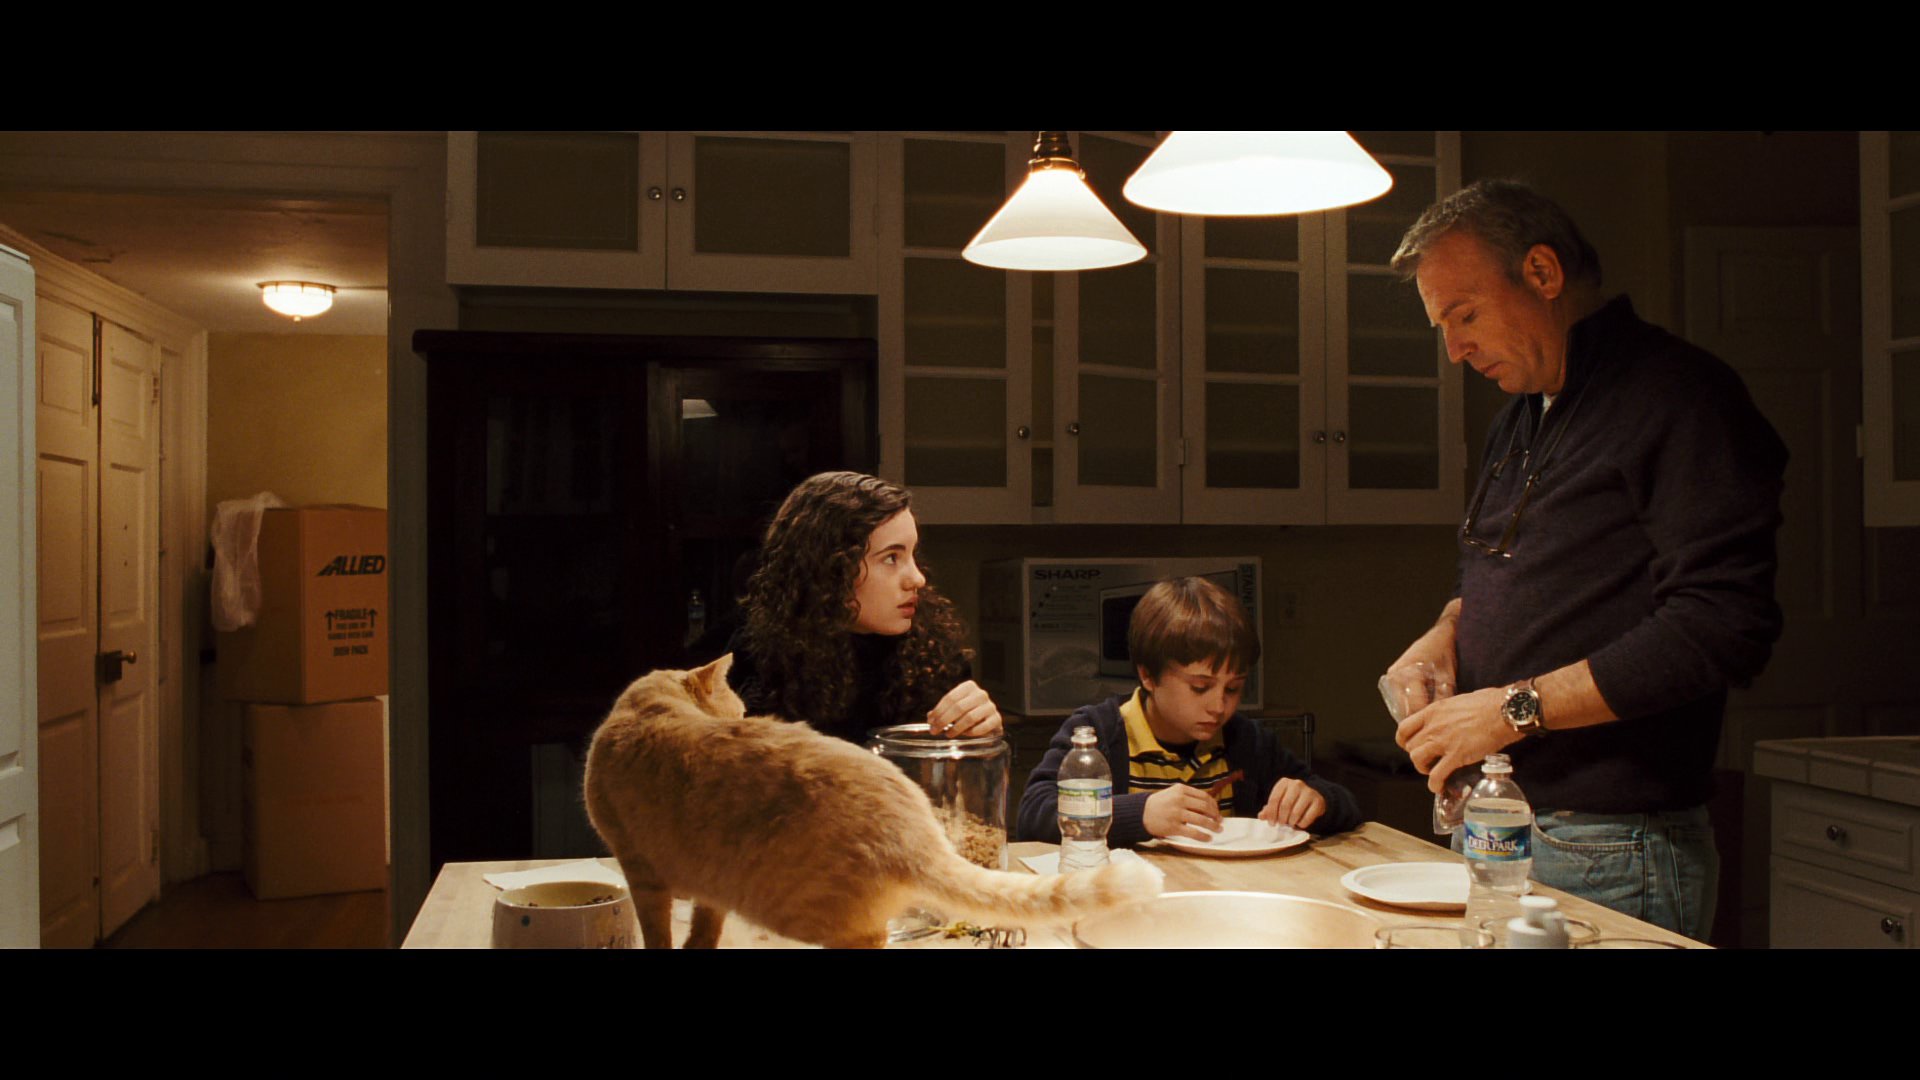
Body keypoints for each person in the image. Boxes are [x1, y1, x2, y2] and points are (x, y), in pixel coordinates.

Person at [1383, 180, 1787, 941]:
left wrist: (1508, 711)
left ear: (1541, 273)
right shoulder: (1521, 417)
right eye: (1443, 326)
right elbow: (1504, 572)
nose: (1455, 349)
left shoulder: (1682, 397)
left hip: (1617, 843)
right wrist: (1446, 631)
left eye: (1464, 315)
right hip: (1505, 825)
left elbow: (1722, 625)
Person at [1017, 576, 1360, 846]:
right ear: (1148, 676)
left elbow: (1347, 808)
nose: (1219, 706)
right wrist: (1140, 814)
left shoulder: (1245, 741)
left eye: (1233, 688)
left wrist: (1318, 800)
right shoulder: (1100, 731)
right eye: (1199, 687)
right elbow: (1034, 813)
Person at [725, 471, 1003, 743]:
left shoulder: (933, 656)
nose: (918, 579)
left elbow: (957, 766)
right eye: (891, 558)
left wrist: (983, 734)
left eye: (913, 555)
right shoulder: (758, 660)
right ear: (832, 570)